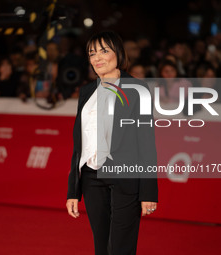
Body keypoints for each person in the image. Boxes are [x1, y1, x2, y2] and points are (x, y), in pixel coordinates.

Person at [66, 31, 158, 255]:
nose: (97, 58)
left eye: (104, 51)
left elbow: (146, 143)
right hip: (91, 177)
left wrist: (148, 192)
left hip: (124, 177)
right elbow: (80, 143)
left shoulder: (138, 90)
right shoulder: (87, 91)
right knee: (101, 245)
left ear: (118, 53)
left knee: (121, 247)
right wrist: (73, 191)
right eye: (92, 53)